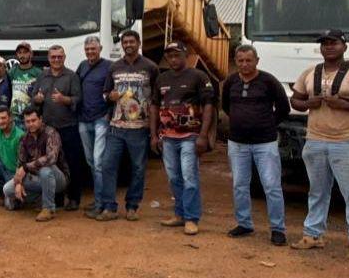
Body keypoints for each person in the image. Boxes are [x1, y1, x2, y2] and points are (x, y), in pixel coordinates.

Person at [289, 29, 349, 262]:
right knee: (317, 191)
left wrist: (343, 104)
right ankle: (313, 234)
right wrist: (306, 103)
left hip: (348, 140)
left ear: (344, 46)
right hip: (316, 139)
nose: (329, 47)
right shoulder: (312, 72)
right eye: (324, 44)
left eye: (334, 43)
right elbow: (295, 99)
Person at [221, 45, 291, 244]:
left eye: (248, 60)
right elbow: (226, 106)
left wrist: (266, 124)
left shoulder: (268, 81)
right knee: (240, 185)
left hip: (265, 143)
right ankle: (244, 223)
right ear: (236, 61)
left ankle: (278, 229)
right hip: (237, 143)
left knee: (271, 186)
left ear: (257, 61)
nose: (244, 64)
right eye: (240, 60)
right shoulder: (231, 81)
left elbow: (283, 108)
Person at [91, 30, 158, 222]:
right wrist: (109, 97)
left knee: (138, 168)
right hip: (116, 127)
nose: (128, 44)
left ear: (138, 43)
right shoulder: (114, 67)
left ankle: (132, 206)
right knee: (107, 165)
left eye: (131, 41)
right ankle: (110, 207)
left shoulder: (150, 67)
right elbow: (105, 93)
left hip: (139, 128)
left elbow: (156, 98)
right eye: (125, 42)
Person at [151, 43, 215, 236]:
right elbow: (154, 106)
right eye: (169, 56)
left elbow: (209, 106)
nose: (173, 59)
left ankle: (191, 218)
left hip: (190, 136)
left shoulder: (198, 77)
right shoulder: (162, 79)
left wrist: (203, 136)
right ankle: (179, 214)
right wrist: (154, 135)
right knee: (174, 178)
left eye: (177, 55)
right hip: (168, 138)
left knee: (189, 177)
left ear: (185, 55)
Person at [30, 45, 84, 211]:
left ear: (64, 57)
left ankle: (74, 198)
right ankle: (57, 198)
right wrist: (37, 99)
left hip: (68, 126)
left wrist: (64, 99)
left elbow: (78, 98)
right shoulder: (42, 76)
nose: (56, 60)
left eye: (59, 57)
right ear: (48, 58)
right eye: (53, 57)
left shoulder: (71, 76)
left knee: (73, 163)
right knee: (53, 164)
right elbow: (34, 98)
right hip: (48, 129)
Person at [2, 107, 69, 222]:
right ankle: (41, 199)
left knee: (45, 170)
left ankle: (49, 209)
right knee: (8, 189)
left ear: (40, 119)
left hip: (58, 178)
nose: (30, 124)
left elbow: (51, 158)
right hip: (36, 178)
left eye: (33, 120)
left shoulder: (51, 133)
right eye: (27, 122)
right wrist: (18, 182)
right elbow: (20, 163)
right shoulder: (24, 138)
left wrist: (26, 167)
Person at [76, 36, 112, 216]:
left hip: (100, 119)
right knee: (90, 162)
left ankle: (101, 203)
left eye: (93, 49)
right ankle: (99, 199)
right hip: (83, 120)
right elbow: (75, 87)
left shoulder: (109, 66)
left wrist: (109, 113)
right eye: (88, 49)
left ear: (100, 48)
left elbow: (114, 92)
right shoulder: (82, 66)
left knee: (98, 162)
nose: (90, 52)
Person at [8, 41, 42, 122]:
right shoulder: (12, 72)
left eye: (25, 52)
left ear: (31, 54)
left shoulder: (38, 72)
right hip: (14, 116)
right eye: (19, 53)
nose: (22, 55)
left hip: (30, 117)